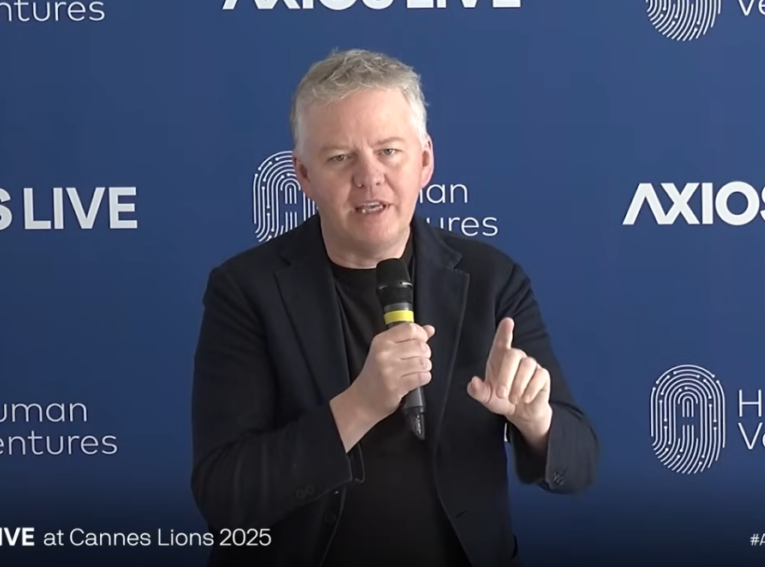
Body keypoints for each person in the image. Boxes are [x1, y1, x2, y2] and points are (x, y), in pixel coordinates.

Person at [190, 48, 599, 567]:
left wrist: (535, 420)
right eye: (340, 158)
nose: (369, 176)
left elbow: (580, 464)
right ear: (304, 176)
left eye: (388, 151)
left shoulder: (492, 279)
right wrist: (359, 406)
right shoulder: (245, 290)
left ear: (425, 161)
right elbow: (224, 494)